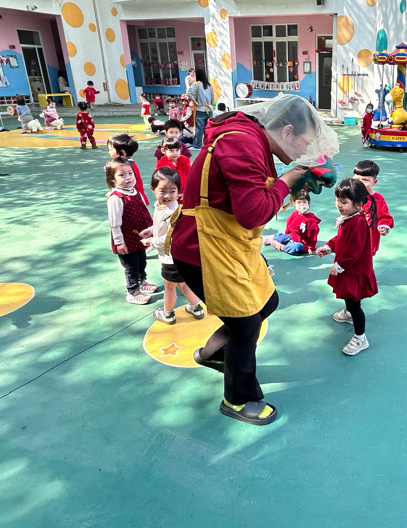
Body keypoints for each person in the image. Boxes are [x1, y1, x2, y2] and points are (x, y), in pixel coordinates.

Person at [169, 93, 336, 425]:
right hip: (203, 248)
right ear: (286, 131)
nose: (303, 151)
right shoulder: (243, 142)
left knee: (266, 302)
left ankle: (214, 353)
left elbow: (249, 196)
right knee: (245, 324)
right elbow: (252, 213)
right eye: (304, 143)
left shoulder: (252, 139)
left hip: (227, 244)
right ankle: (238, 399)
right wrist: (288, 180)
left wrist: (291, 184)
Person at [316, 179, 377, 356]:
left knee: (354, 302)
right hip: (349, 269)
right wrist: (329, 246)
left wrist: (339, 265)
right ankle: (349, 313)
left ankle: (360, 337)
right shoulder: (349, 219)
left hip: (353, 270)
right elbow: (342, 239)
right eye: (337, 200)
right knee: (349, 297)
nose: (339, 205)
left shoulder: (357, 222)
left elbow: (354, 250)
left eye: (344, 202)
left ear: (358, 204)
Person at [141, 166, 205, 325]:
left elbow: (171, 236)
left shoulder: (173, 211)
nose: (167, 195)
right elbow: (162, 227)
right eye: (162, 191)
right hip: (174, 256)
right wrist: (151, 230)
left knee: (169, 286)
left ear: (179, 192)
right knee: (181, 283)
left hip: (172, 257)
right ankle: (196, 307)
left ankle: (168, 314)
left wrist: (151, 242)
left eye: (172, 191)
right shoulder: (161, 206)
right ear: (153, 189)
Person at [105, 157, 158, 305]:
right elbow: (115, 224)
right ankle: (132, 291)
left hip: (139, 237)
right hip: (126, 239)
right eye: (122, 175)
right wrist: (119, 242)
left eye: (130, 173)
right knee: (131, 266)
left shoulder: (136, 192)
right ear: (112, 179)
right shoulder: (115, 198)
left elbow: (143, 212)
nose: (128, 177)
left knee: (141, 261)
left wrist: (151, 229)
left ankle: (141, 281)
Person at [353, 160, 393, 255]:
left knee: (366, 261)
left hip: (369, 241)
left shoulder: (378, 199)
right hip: (352, 238)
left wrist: (384, 225)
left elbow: (385, 216)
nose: (360, 183)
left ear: (374, 182)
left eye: (365, 180)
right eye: (356, 179)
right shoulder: (351, 195)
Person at [263, 190, 320, 255]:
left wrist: (311, 247)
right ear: (294, 204)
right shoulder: (294, 215)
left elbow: (312, 236)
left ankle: (281, 247)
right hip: (291, 236)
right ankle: (272, 238)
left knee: (296, 247)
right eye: (299, 202)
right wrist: (285, 236)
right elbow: (288, 226)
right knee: (282, 237)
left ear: (308, 202)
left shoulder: (311, 220)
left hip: (302, 242)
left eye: (304, 202)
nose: (302, 205)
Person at [107, 133, 146, 199]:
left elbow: (129, 182)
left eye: (111, 149)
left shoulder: (127, 166)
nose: (109, 152)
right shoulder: (127, 163)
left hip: (132, 196)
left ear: (122, 153)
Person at [188, 70, 213, 149]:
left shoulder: (196, 84)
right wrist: (210, 105)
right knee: (208, 128)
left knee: (199, 128)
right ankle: (208, 143)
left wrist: (195, 102)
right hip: (209, 109)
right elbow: (212, 98)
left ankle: (197, 145)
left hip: (200, 109)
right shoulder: (209, 86)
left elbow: (189, 94)